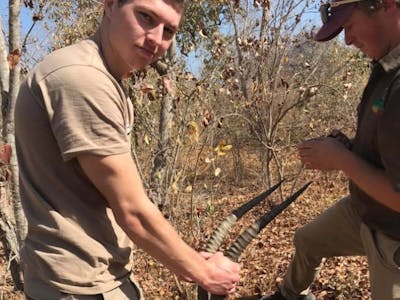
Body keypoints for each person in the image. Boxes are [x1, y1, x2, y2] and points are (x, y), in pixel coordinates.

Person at [14, 0, 240, 299]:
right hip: (80, 287)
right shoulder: (83, 79)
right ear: (109, 6)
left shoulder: (105, 77)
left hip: (91, 276)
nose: (157, 39)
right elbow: (132, 211)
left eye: (169, 30)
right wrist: (204, 272)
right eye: (145, 17)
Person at [261, 0, 400, 299]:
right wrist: (349, 147)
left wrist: (342, 159)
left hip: (392, 235)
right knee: (307, 240)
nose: (347, 40)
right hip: (363, 211)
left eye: (349, 26)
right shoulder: (386, 66)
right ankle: (289, 295)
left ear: (388, 6)